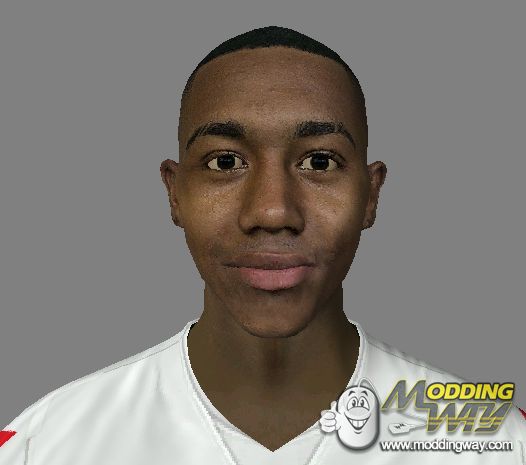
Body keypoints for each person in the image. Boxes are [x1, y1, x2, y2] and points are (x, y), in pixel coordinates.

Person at [1, 25, 524, 465]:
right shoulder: (44, 444)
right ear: (174, 193)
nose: (272, 212)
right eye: (225, 162)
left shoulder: (494, 442)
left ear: (371, 195)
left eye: (319, 162)